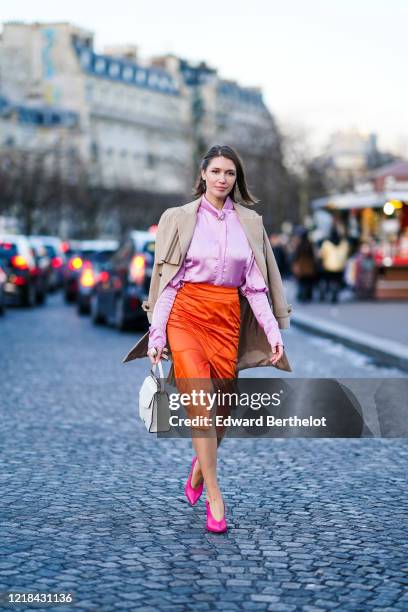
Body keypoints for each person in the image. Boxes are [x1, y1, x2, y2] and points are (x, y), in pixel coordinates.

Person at [123, 144, 292, 533]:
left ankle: (201, 466)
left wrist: (272, 331)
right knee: (199, 401)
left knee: (221, 411)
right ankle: (216, 496)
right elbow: (168, 282)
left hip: (227, 317)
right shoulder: (178, 218)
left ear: (237, 179)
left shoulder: (249, 223)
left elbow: (255, 288)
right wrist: (158, 334)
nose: (222, 179)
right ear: (202, 175)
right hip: (185, 315)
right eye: (215, 171)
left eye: (229, 173)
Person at [319, 228, 349, 304]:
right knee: (337, 281)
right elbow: (346, 254)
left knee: (327, 281)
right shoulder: (344, 243)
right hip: (340, 267)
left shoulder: (326, 244)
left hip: (328, 267)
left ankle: (326, 292)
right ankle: (335, 293)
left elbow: (322, 255)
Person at [291, 230, 317, 303]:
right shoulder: (310, 245)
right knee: (308, 282)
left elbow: (295, 256)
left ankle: (302, 296)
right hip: (309, 266)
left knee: (301, 282)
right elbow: (313, 256)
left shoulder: (299, 245)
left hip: (301, 266)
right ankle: (308, 296)